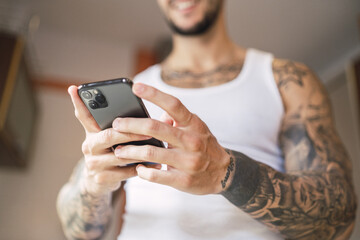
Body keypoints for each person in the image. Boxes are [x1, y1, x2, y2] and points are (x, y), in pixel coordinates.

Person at [57, 0, 357, 239]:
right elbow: (77, 231)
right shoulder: (136, 90)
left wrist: (226, 173)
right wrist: (92, 184)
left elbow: (339, 220)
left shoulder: (288, 80)